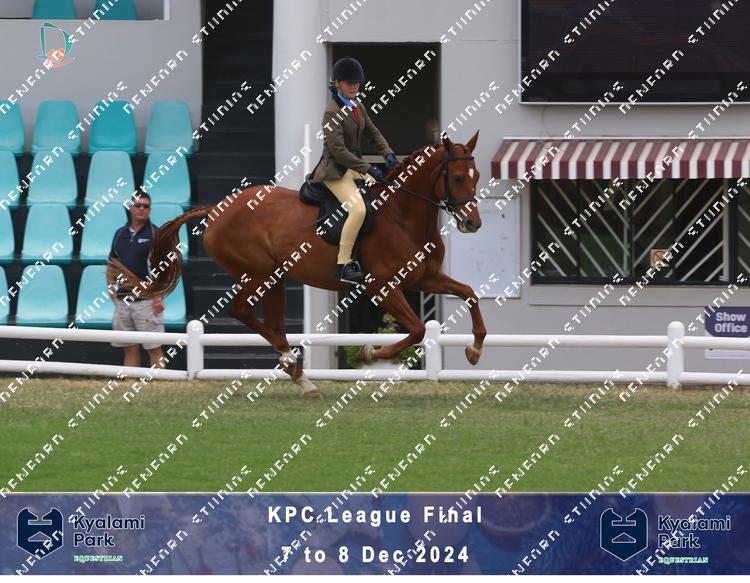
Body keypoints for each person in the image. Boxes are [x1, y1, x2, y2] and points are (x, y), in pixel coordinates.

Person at [310, 56, 400, 284]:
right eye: (349, 83)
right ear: (337, 84)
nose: (354, 86)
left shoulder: (358, 106)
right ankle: (344, 264)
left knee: (385, 192)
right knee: (358, 210)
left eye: (357, 83)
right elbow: (339, 151)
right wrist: (368, 167)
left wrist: (388, 154)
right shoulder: (331, 112)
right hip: (335, 171)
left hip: (354, 167)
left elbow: (373, 132)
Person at [106, 190, 166, 368]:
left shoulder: (157, 234)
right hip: (123, 301)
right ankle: (130, 384)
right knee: (129, 349)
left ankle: (162, 384)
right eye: (137, 205)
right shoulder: (119, 234)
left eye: (145, 206)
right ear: (130, 208)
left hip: (147, 302)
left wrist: (158, 298)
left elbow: (164, 269)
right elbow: (112, 263)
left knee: (154, 349)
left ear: (150, 210)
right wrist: (111, 289)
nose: (141, 209)